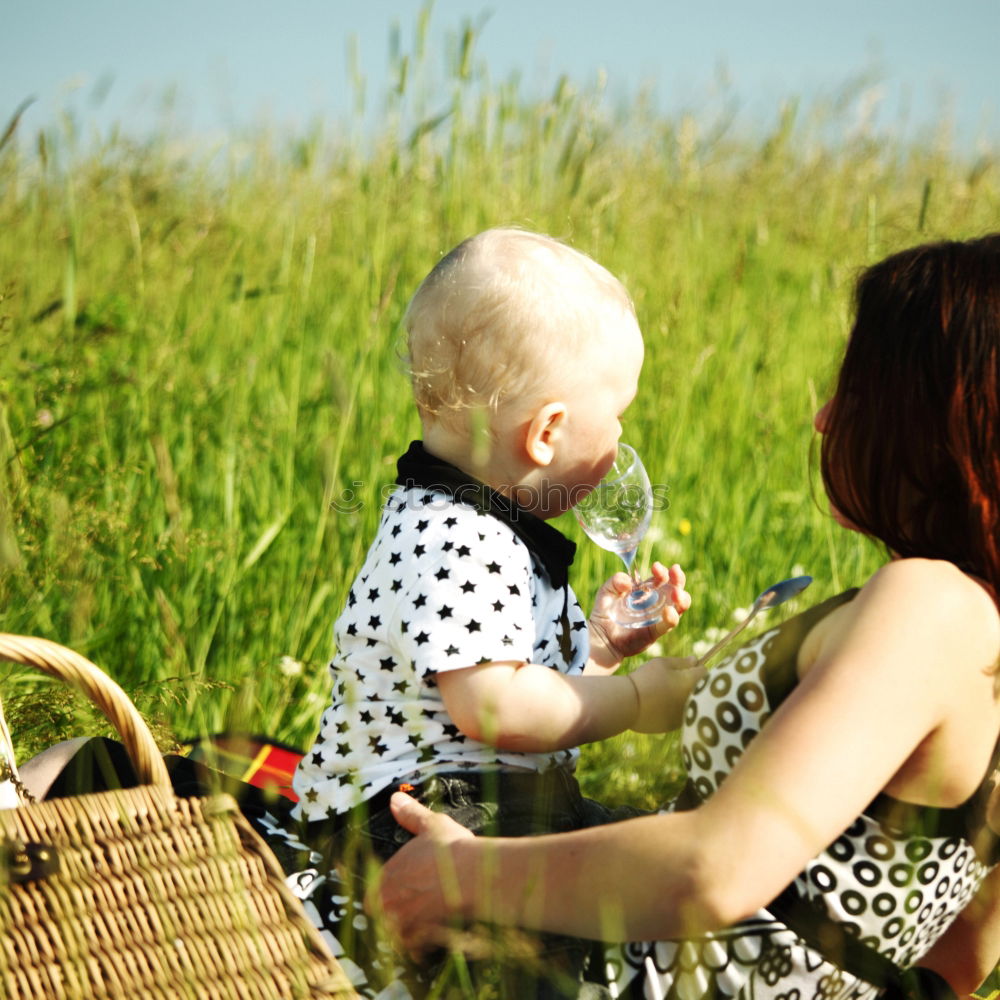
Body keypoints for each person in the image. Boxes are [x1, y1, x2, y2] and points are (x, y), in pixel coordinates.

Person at [371, 233, 1000, 999]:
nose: (826, 420)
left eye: (860, 392)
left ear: (942, 424)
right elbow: (961, 953)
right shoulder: (973, 626)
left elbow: (715, 869)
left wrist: (462, 878)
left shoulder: (930, 605)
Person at [283, 227, 697, 996]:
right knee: (526, 940)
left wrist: (601, 648)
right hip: (405, 821)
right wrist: (636, 701)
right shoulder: (455, 535)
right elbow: (497, 706)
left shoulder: (485, 524)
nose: (622, 442)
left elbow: (521, 681)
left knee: (630, 847)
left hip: (483, 797)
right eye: (619, 418)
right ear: (546, 434)